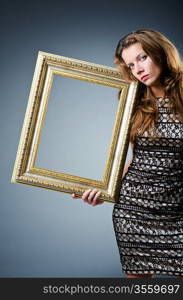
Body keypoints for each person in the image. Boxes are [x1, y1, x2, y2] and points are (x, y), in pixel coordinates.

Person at [72, 29, 183, 278]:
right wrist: (106, 189)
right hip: (133, 212)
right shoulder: (133, 101)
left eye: (142, 58)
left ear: (161, 53)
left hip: (178, 210)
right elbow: (138, 159)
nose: (138, 69)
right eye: (131, 65)